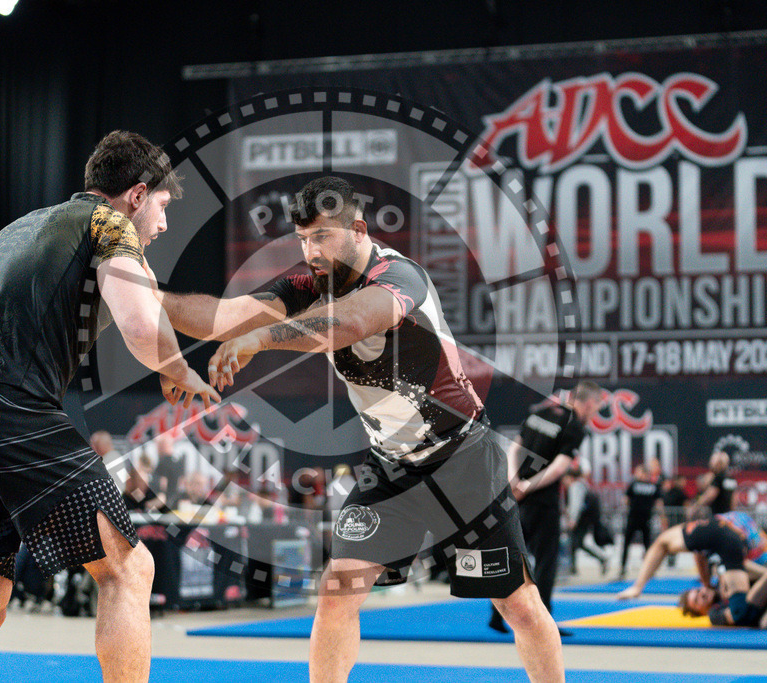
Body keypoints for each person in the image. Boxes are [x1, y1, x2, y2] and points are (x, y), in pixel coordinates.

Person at [157, 177, 565, 682]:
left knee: (517, 605)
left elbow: (349, 324)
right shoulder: (310, 284)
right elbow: (225, 316)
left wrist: (262, 339)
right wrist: (143, 299)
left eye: (322, 237)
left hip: (460, 458)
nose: (311, 251)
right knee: (337, 593)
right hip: (391, 468)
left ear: (357, 228)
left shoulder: (400, 276)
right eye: (303, 239)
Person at [0, 131, 220, 683]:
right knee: (130, 567)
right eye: (164, 208)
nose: (165, 225)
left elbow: (155, 305)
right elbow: (144, 327)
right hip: (10, 408)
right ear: (137, 194)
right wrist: (182, 371)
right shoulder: (112, 225)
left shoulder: (21, 228)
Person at [490, 382, 604, 635]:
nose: (595, 413)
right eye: (596, 408)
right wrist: (528, 485)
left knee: (514, 557)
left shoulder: (538, 413)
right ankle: (543, 621)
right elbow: (560, 467)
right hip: (542, 500)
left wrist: (514, 481)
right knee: (545, 561)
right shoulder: (574, 426)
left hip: (517, 496)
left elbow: (515, 447)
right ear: (587, 403)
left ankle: (498, 615)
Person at [616, 514, 767, 601]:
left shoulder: (721, 555)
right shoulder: (757, 551)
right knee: (734, 587)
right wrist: (707, 583)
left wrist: (707, 583)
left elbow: (701, 556)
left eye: (698, 596)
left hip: (727, 527)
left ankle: (637, 588)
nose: (701, 593)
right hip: (737, 531)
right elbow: (700, 555)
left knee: (663, 543)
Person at [679, 550, 767, 629]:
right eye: (697, 600)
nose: (702, 594)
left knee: (734, 569)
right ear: (700, 612)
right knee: (763, 620)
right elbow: (738, 613)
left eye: (699, 591)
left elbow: (731, 564)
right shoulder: (714, 615)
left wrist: (725, 576)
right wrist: (733, 590)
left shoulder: (719, 582)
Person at [619, 464, 663, 579]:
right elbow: (658, 502)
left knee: (643, 545)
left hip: (639, 518)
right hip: (640, 518)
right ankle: (627, 568)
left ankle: (646, 570)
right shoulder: (649, 485)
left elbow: (626, 500)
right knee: (642, 545)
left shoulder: (636, 484)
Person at [564, 463, 609, 575]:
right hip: (584, 519)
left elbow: (576, 504)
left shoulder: (575, 486)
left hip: (580, 520)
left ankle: (601, 558)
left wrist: (573, 519)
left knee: (577, 543)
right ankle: (573, 567)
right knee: (574, 543)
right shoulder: (583, 484)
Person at [690, 451, 736, 518]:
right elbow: (733, 499)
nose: (711, 465)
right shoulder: (731, 479)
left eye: (712, 462)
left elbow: (711, 494)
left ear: (718, 463)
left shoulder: (718, 478)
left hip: (718, 517)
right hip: (728, 516)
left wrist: (695, 507)